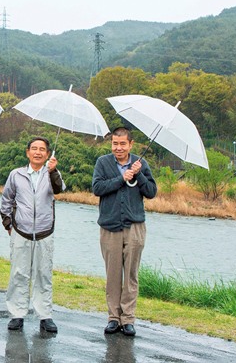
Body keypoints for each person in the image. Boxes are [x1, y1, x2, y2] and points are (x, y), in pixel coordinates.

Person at [92, 127, 157, 336]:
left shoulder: (141, 163)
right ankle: (113, 317)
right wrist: (122, 178)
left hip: (135, 225)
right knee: (112, 274)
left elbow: (151, 192)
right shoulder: (103, 163)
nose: (118, 148)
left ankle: (128, 319)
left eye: (122, 144)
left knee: (131, 274)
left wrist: (138, 175)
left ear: (130, 144)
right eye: (115, 144)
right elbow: (97, 189)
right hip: (109, 225)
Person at [0, 136, 65, 333]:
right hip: (21, 231)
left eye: (42, 149)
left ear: (47, 154)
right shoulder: (16, 174)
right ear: (27, 152)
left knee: (43, 274)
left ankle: (45, 315)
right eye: (34, 148)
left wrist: (53, 171)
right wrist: (8, 223)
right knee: (18, 273)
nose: (38, 152)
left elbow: (59, 190)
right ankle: (17, 314)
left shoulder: (52, 173)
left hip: (45, 231)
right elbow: (6, 199)